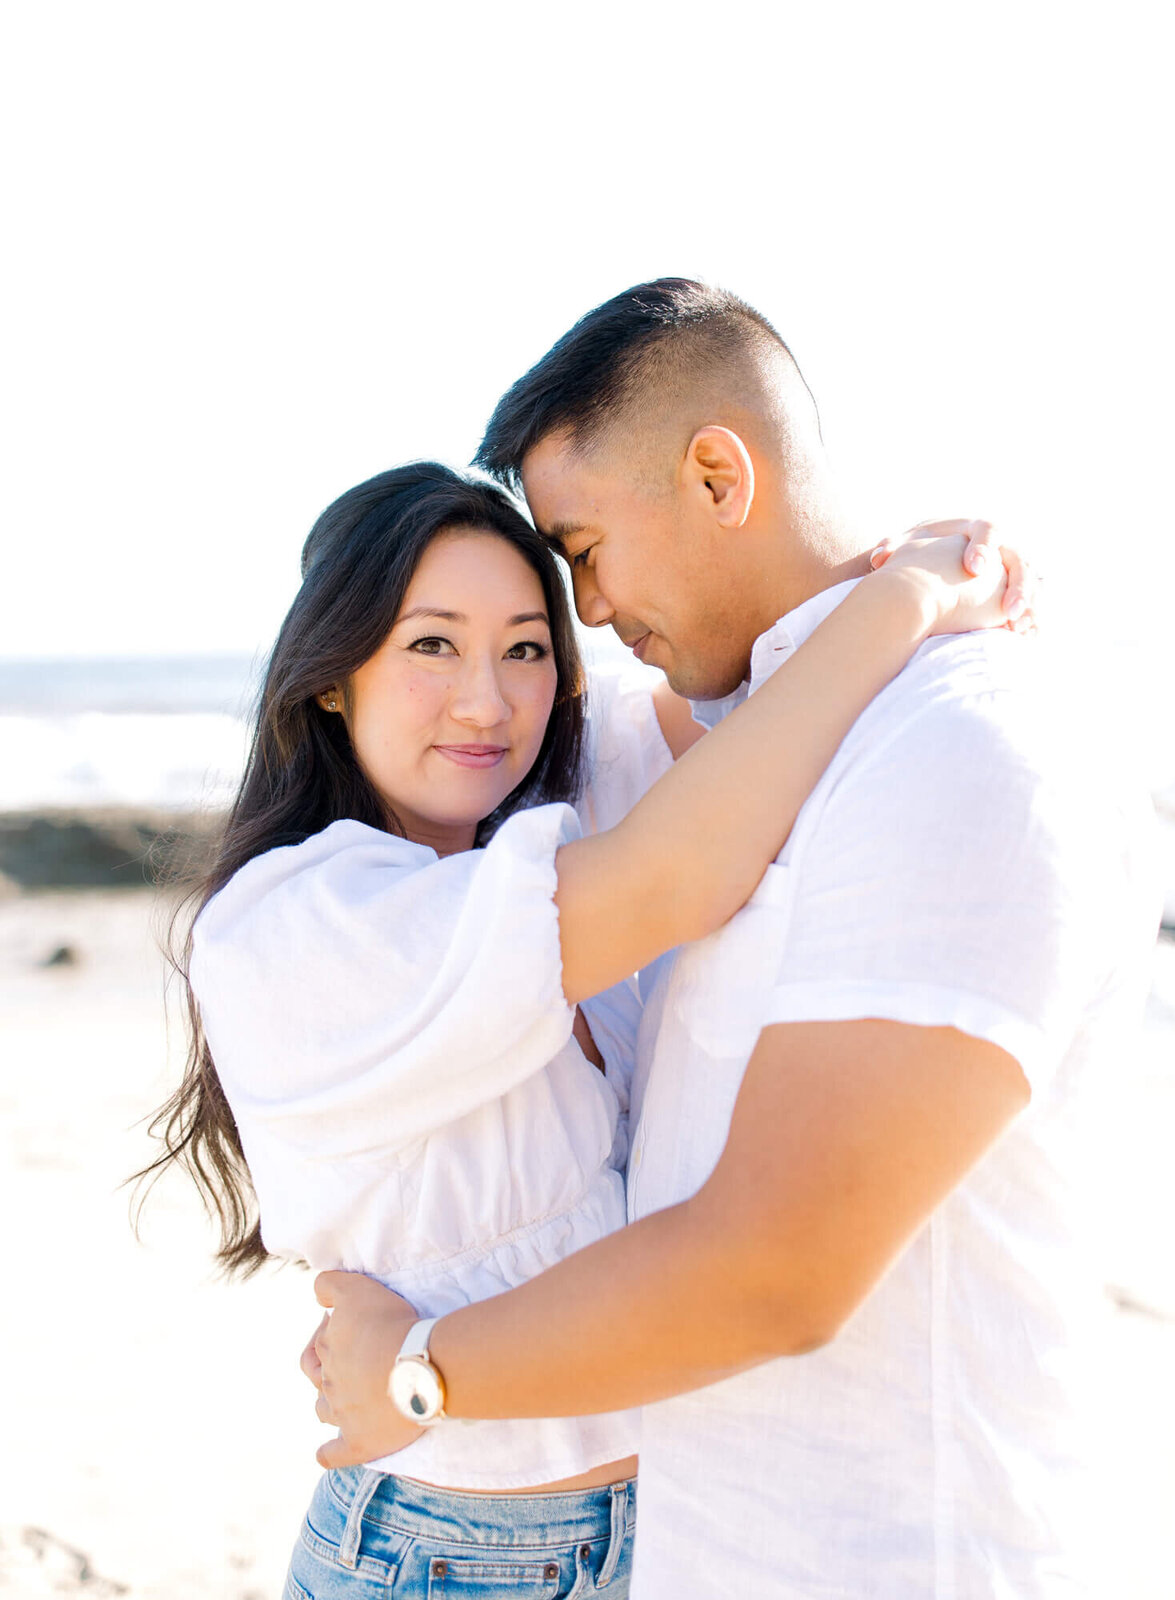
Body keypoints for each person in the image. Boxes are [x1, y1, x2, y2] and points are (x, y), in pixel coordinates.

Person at [307, 281, 1161, 1600]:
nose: (585, 608)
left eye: (584, 547)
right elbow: (429, 739)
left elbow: (782, 1267)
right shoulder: (754, 742)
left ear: (718, 472)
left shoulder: (961, 751)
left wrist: (424, 1366)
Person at [142, 458, 1016, 1598]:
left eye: (525, 648)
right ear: (329, 677)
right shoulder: (294, 924)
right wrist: (907, 598)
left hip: (670, 1530)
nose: (486, 702)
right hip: (450, 1552)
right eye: (431, 644)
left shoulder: (547, 819)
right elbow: (684, 872)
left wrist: (919, 573)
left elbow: (763, 709)